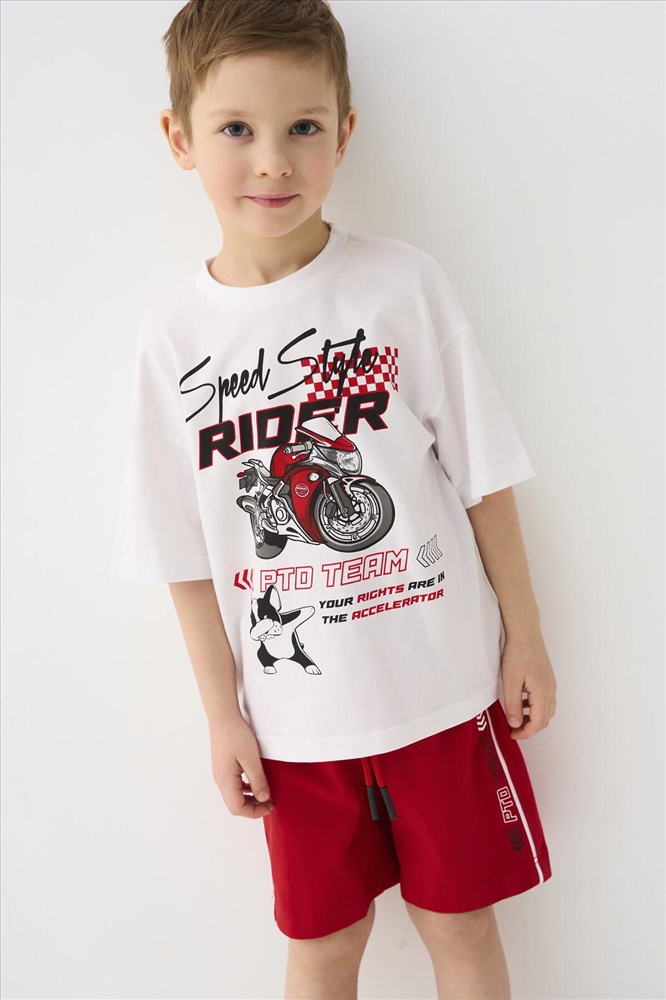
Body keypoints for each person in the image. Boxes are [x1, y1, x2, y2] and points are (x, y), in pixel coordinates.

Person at [112, 1, 557, 997]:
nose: (272, 161)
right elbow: (182, 553)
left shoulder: (402, 285)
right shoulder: (173, 337)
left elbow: (484, 472)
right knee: (321, 946)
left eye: (303, 126)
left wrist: (524, 635)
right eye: (237, 128)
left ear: (344, 132)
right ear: (180, 138)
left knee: (462, 926)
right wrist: (222, 716)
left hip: (443, 690)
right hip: (294, 723)